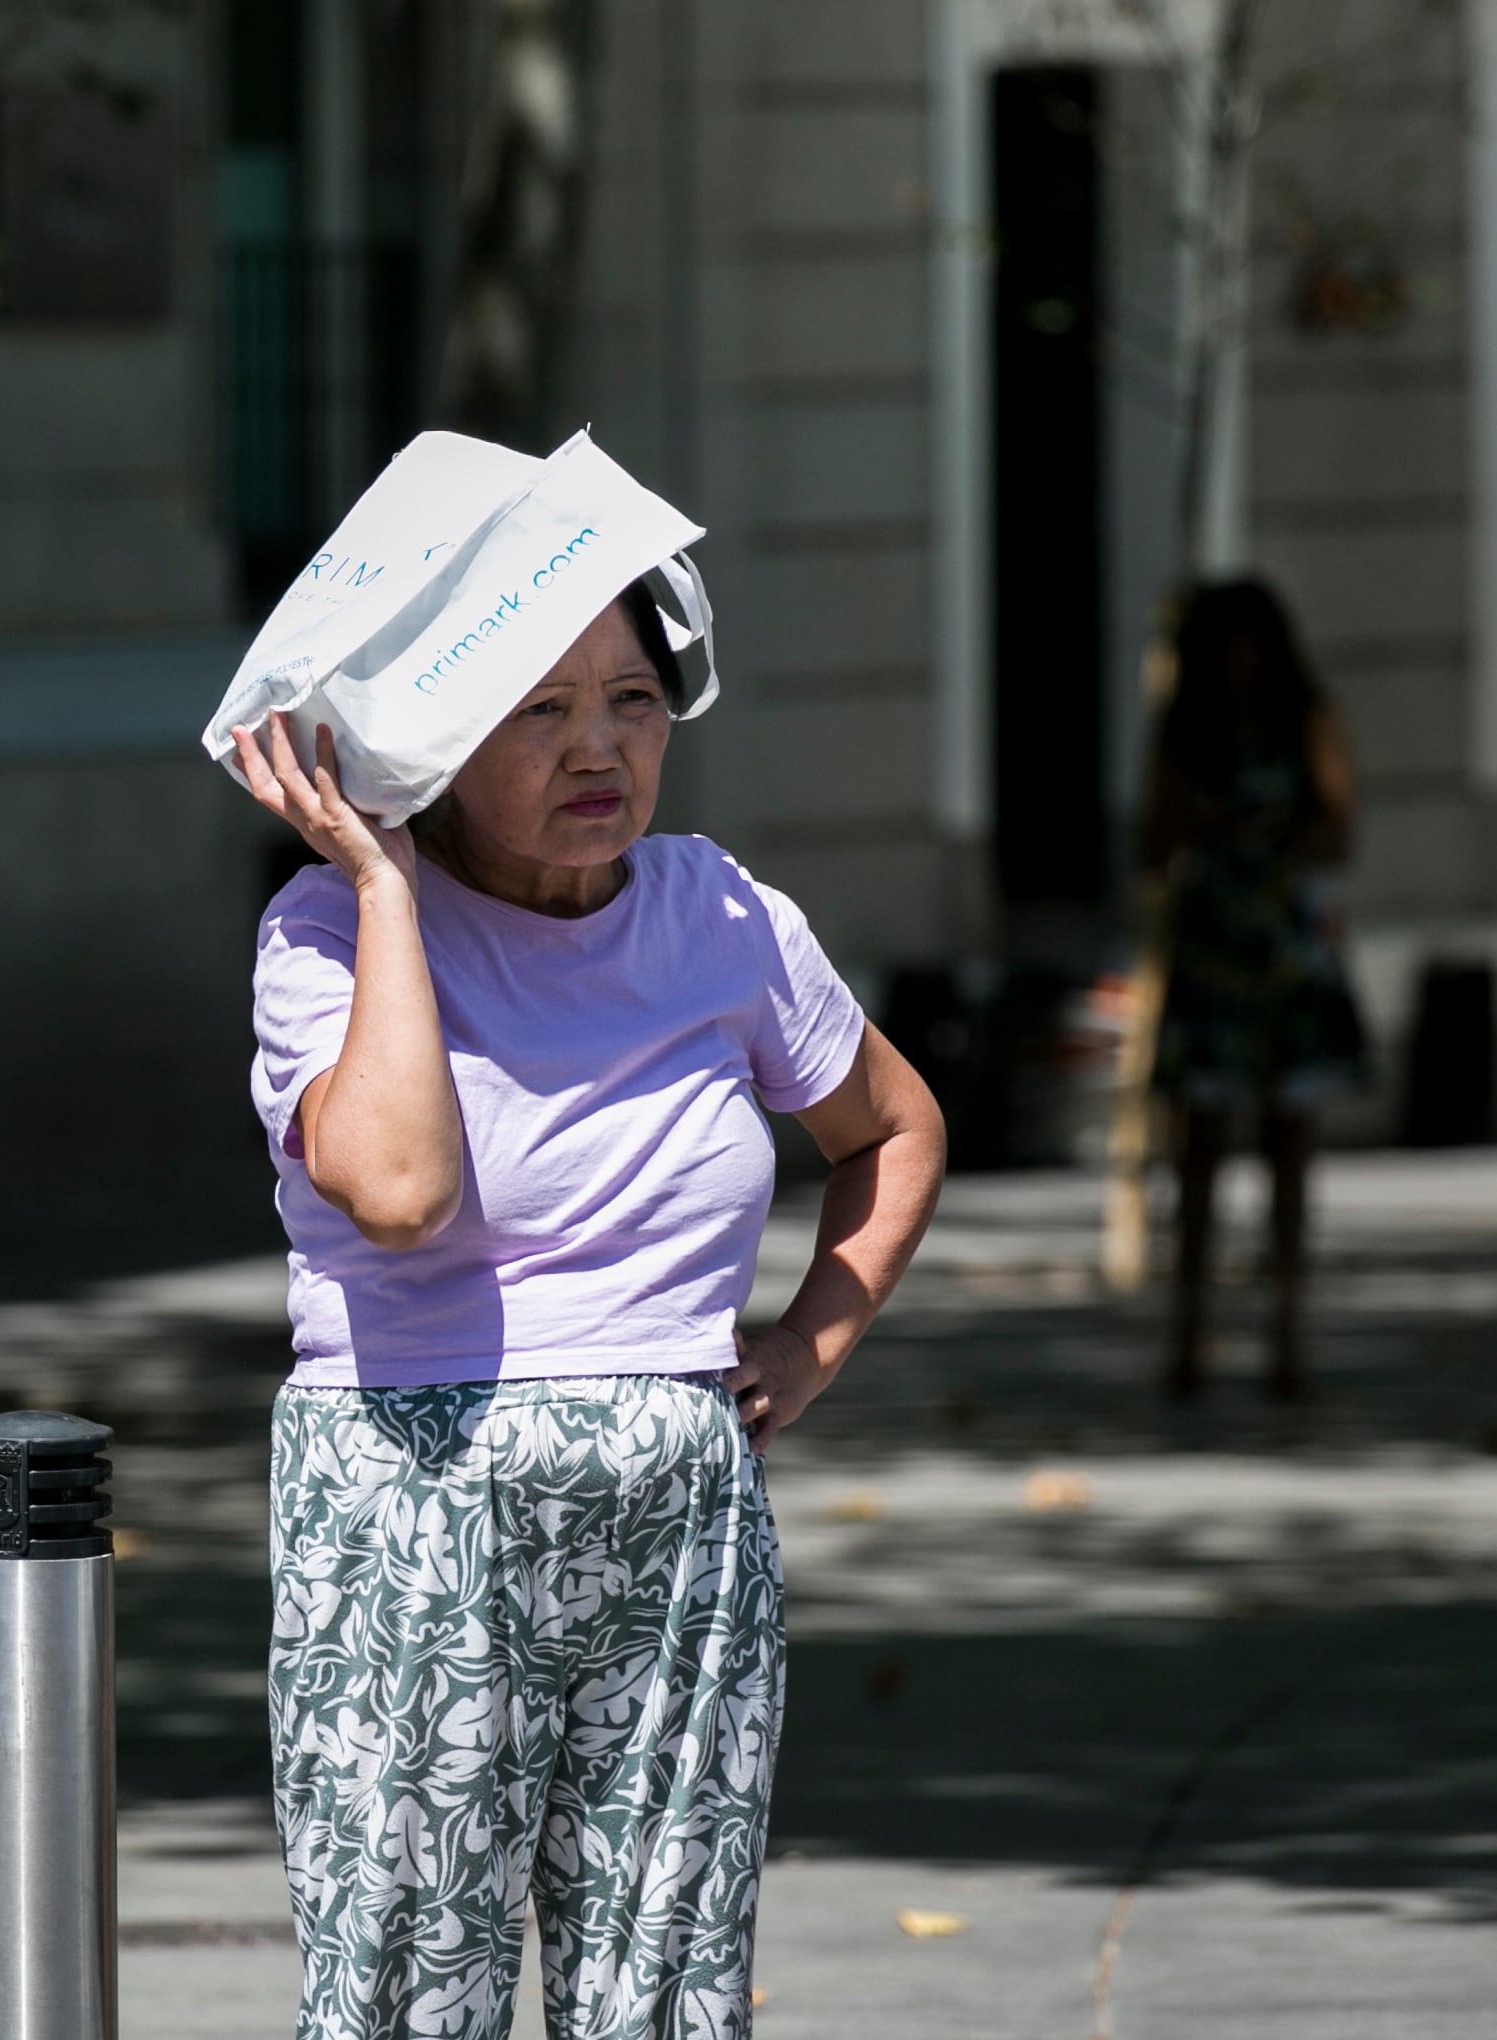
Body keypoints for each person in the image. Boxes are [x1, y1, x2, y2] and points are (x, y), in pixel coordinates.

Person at [226, 579, 946, 2040]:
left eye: (632, 697)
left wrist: (809, 1344)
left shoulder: (724, 915)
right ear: (430, 743)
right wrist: (382, 886)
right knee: (405, 1997)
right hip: (414, 1528)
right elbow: (404, 1190)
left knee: (670, 1998)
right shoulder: (324, 936)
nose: (598, 747)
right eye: (539, 710)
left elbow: (895, 1127)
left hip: (682, 1529)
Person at [1137, 578, 1365, 1403]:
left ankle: (1287, 1336)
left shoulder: (1306, 720)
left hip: (1283, 952)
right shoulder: (1184, 730)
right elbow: (1149, 840)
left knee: (1289, 1151)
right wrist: (1199, 829)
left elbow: (1340, 828)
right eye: (1226, 646)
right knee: (1197, 1150)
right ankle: (1188, 1336)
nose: (1240, 662)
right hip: (1211, 953)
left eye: (1252, 644)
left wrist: (1272, 838)